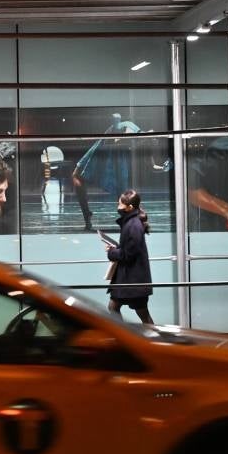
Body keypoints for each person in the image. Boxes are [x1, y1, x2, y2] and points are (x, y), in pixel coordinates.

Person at [72, 114, 138, 231]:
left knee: (121, 192)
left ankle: (130, 220)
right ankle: (87, 214)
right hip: (103, 150)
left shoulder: (131, 129)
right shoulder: (128, 126)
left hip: (111, 156)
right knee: (76, 176)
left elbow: (122, 142)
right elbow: (119, 140)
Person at [103, 189, 153, 324]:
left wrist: (112, 253)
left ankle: (152, 340)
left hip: (133, 281)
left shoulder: (133, 225)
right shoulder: (132, 222)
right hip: (130, 279)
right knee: (115, 307)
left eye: (120, 204)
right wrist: (116, 248)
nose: (118, 207)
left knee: (142, 314)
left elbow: (128, 254)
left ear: (129, 207)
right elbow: (129, 249)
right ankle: (128, 337)